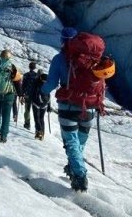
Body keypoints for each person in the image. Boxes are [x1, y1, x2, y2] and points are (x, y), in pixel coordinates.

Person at [41, 26, 104, 192]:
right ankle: (74, 166)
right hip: (90, 107)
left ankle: (80, 176)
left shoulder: (60, 59)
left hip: (69, 106)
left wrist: (42, 91)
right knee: (79, 143)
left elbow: (51, 84)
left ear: (62, 41)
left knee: (72, 143)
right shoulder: (93, 60)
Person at [31, 72, 50, 140]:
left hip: (36, 103)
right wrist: (49, 105)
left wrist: (31, 100)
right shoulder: (47, 84)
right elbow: (48, 95)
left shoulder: (36, 83)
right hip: (44, 104)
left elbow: (32, 92)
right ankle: (42, 134)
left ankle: (39, 131)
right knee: (41, 118)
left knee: (37, 118)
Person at [21, 61, 39, 130]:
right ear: (35, 67)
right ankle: (37, 126)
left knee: (27, 110)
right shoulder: (37, 75)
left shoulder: (26, 75)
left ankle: (27, 124)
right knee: (35, 111)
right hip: (35, 96)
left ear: (29, 67)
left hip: (27, 95)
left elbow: (23, 86)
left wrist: (22, 94)